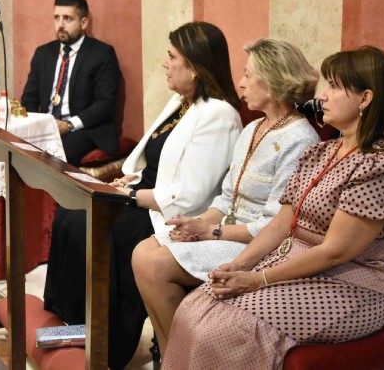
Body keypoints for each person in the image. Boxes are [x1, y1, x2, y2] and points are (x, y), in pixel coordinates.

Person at [162, 46, 384, 370]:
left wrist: (258, 280)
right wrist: (238, 266)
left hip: (352, 286)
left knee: (227, 328)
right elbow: (282, 224)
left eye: (335, 87)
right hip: (294, 262)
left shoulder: (383, 167)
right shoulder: (321, 153)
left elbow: (335, 252)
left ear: (365, 98)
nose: (322, 96)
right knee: (195, 306)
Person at [43, 22, 243, 369]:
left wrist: (129, 196)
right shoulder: (183, 102)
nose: (164, 63)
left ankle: (106, 339)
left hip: (163, 213)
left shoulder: (220, 115)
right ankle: (71, 322)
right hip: (140, 193)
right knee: (70, 211)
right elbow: (155, 160)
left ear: (194, 66)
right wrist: (127, 181)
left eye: (171, 57)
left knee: (90, 225)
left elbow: (190, 194)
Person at [131, 38, 320, 356]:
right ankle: (173, 354)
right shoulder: (254, 128)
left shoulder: (299, 139)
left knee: (155, 265)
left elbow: (274, 225)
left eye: (248, 75)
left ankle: (180, 355)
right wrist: (197, 223)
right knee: (141, 251)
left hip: (257, 246)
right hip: (227, 231)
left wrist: (211, 231)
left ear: (272, 83)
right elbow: (226, 197)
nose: (241, 83)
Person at [20, 0, 121, 166]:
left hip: (84, 129)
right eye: (56, 18)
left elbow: (105, 103)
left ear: (84, 22)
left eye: (67, 19)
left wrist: (68, 125)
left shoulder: (102, 54)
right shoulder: (43, 53)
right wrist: (37, 124)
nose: (60, 25)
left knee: (58, 154)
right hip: (47, 126)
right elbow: (29, 97)